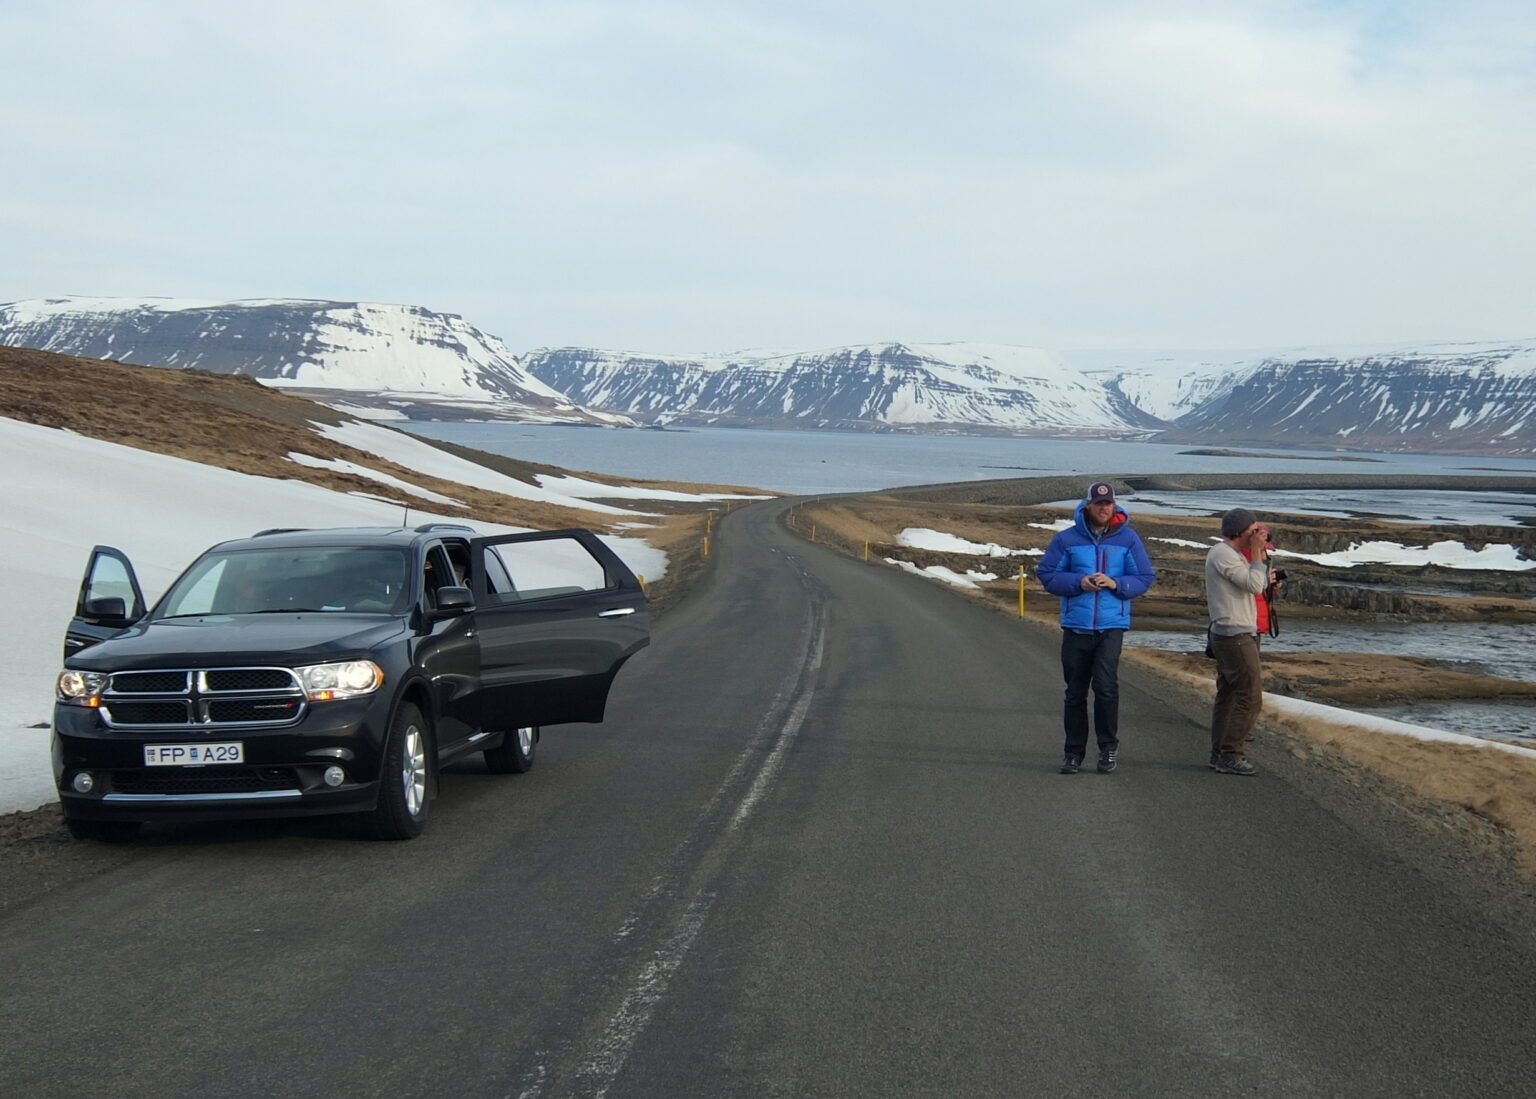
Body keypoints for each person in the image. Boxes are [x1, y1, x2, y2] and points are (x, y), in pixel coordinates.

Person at [1036, 481, 1157, 774]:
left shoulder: (1128, 539)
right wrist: (1078, 583)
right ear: (1087, 505)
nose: (1104, 508)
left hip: (1111, 626)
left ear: (1114, 506)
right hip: (1076, 626)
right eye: (1098, 503)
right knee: (1075, 692)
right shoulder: (1066, 539)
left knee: (1105, 688)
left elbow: (1144, 576)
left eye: (1108, 503)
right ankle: (1073, 753)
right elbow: (1047, 574)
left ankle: (1108, 749)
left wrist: (1117, 584)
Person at [1205, 508, 1276, 776]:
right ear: (1242, 531)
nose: (1258, 534)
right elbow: (1253, 585)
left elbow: (1252, 585)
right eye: (1254, 530)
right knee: (1250, 697)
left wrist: (1265, 578)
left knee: (1229, 695)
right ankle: (1230, 754)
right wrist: (1258, 554)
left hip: (1231, 631)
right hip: (1234, 634)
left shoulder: (1228, 555)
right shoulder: (1224, 554)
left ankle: (1218, 753)